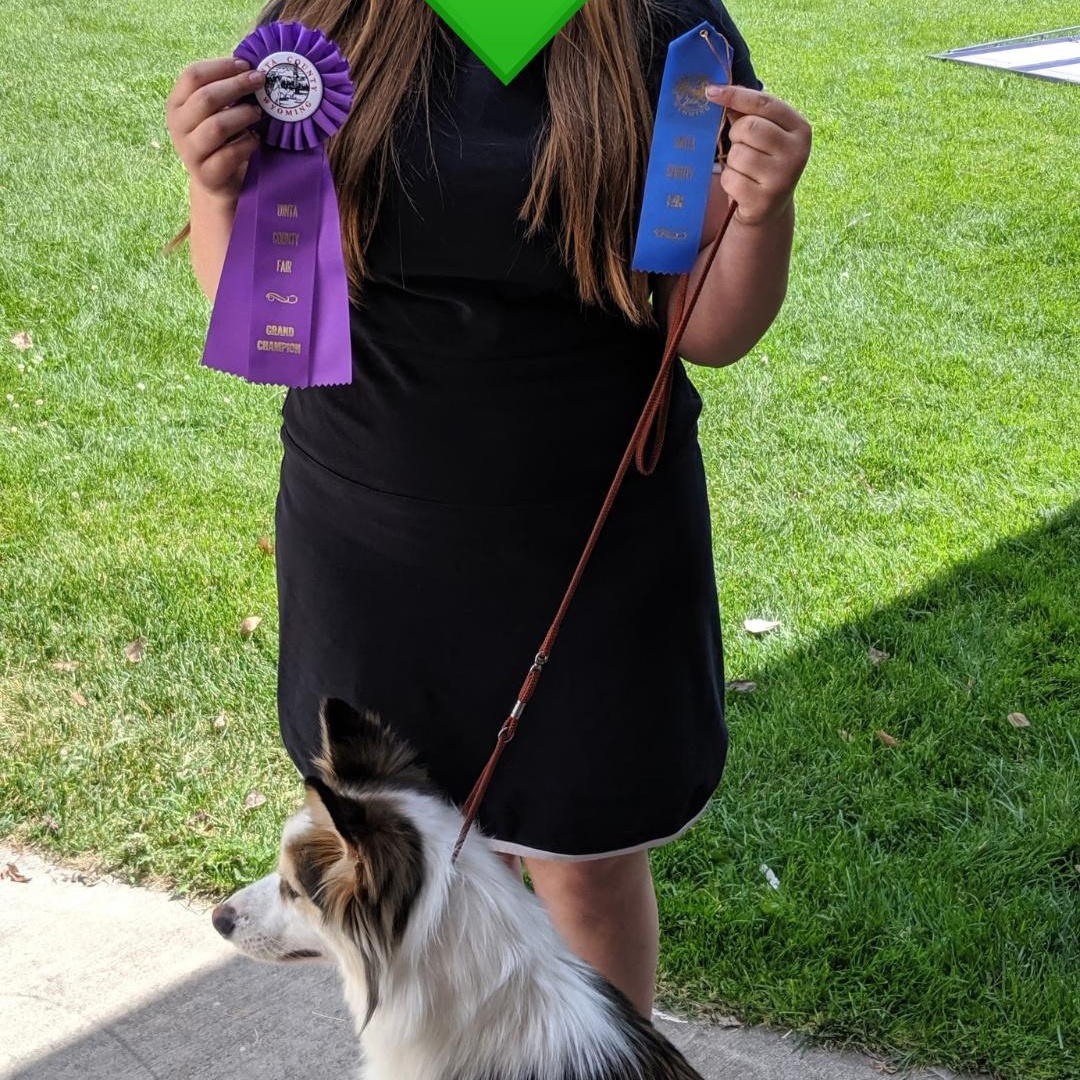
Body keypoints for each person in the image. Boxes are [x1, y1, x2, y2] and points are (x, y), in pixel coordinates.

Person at [166, 0, 810, 1020]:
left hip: (590, 543)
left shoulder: (666, 27)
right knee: (410, 869)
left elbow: (708, 329)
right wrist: (213, 185)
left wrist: (761, 213)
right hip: (369, 539)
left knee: (587, 866)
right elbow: (264, 308)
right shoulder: (328, 17)